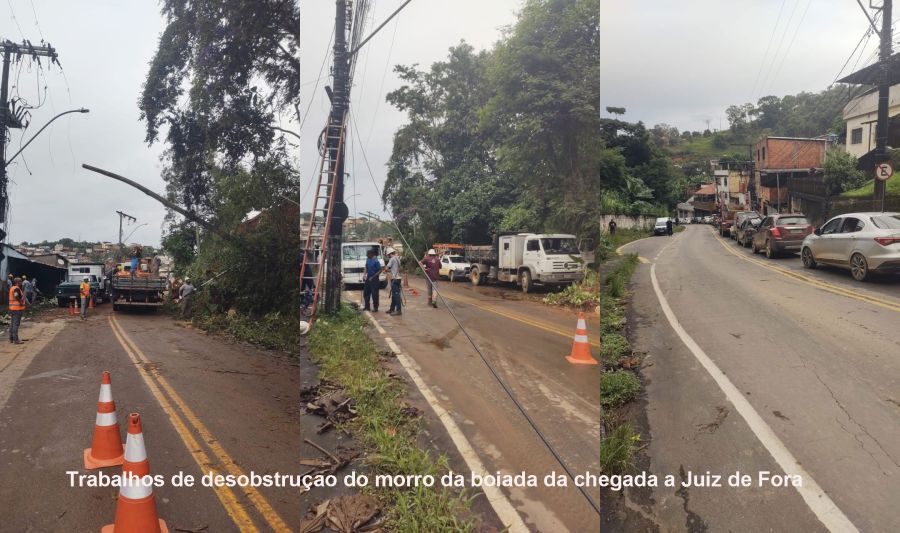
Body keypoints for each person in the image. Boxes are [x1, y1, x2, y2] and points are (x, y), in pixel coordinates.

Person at [384, 247, 402, 316]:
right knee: (394, 295)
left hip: (394, 279)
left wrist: (385, 269)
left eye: (388, 255)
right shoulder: (398, 258)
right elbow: (395, 268)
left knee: (396, 295)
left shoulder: (392, 259)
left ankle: (398, 310)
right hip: (398, 278)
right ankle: (392, 309)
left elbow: (387, 268)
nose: (388, 256)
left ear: (389, 254)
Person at [8, 277, 26, 344]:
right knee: (16, 324)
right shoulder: (16, 288)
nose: (21, 283)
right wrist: (21, 302)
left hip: (12, 309)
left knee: (12, 324)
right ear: (17, 282)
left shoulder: (12, 288)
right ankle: (16, 340)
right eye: (20, 281)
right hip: (17, 309)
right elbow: (16, 296)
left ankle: (11, 339)